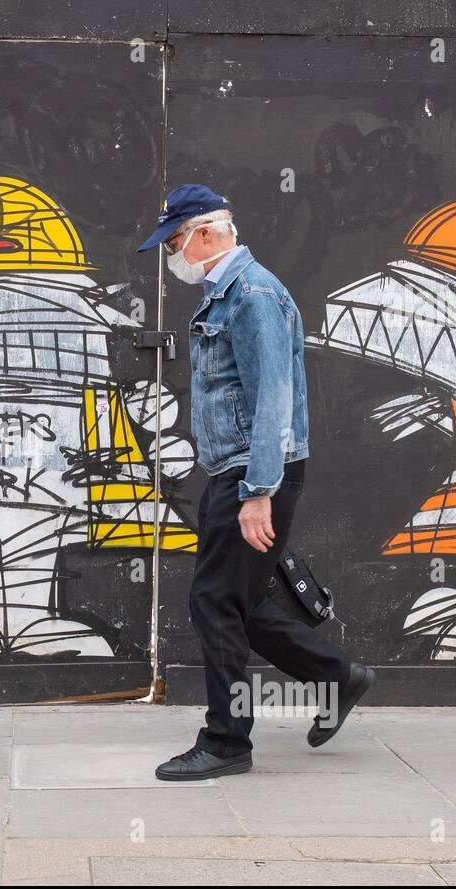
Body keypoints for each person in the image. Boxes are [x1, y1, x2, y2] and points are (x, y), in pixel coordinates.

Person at [136, 184, 376, 780]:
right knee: (242, 599)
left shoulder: (253, 297)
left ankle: (226, 742)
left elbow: (272, 400)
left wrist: (257, 492)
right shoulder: (229, 295)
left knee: (214, 600)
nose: (173, 254)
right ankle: (334, 677)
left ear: (208, 233)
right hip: (239, 468)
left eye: (175, 242)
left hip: (254, 470)